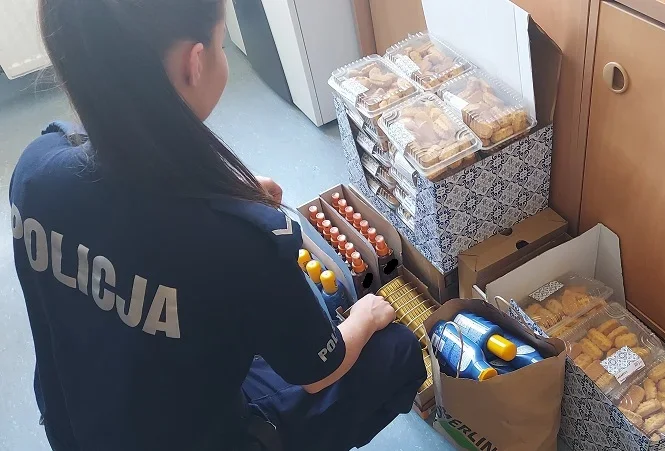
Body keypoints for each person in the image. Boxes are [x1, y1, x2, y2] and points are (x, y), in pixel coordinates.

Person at [10, 0, 427, 450]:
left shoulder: (35, 169)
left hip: (81, 424)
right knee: (395, 350)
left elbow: (122, 212)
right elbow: (318, 371)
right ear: (194, 63)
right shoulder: (239, 241)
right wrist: (365, 317)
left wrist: (226, 195)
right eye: (221, 43)